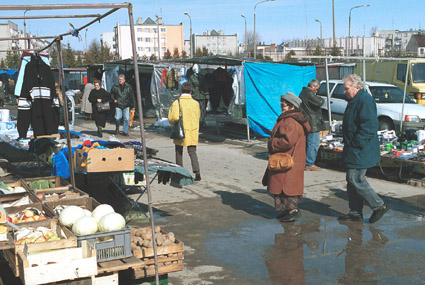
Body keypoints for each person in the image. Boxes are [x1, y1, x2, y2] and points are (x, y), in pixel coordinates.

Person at [339, 74, 389, 223]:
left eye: (346, 89)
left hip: (360, 148)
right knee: (351, 180)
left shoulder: (364, 100)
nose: (344, 92)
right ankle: (355, 212)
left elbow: (369, 127)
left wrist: (356, 143)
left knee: (356, 179)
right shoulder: (355, 100)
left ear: (357, 87)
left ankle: (378, 206)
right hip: (354, 147)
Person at [265, 92, 311, 222]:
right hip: (291, 160)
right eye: (282, 105)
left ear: (291, 107)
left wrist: (272, 142)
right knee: (286, 187)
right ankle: (288, 211)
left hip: (287, 161)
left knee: (286, 188)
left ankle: (292, 211)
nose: (282, 107)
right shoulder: (292, 119)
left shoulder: (290, 121)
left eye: (284, 105)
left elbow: (287, 142)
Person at [168, 82, 202, 181]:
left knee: (179, 151)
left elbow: (173, 118)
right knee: (192, 151)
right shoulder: (196, 103)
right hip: (193, 130)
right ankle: (197, 171)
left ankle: (180, 173)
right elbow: (198, 116)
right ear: (191, 91)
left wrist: (174, 122)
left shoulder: (177, 102)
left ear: (181, 91)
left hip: (181, 130)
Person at [299, 79, 324, 171]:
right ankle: (309, 163)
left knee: (309, 142)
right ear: (313, 86)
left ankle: (307, 161)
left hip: (308, 120)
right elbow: (320, 102)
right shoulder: (309, 93)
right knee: (313, 143)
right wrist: (321, 98)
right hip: (312, 122)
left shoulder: (304, 92)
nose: (316, 91)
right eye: (316, 89)